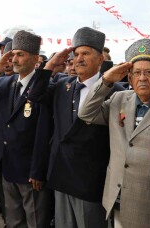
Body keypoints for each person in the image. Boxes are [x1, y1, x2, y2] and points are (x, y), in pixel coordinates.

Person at [76, 38, 150, 227]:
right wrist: (105, 80)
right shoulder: (118, 99)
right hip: (116, 198)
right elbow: (85, 113)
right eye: (136, 73)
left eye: (149, 72)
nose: (142, 78)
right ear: (129, 78)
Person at [28, 27, 124, 228]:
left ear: (100, 59)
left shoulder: (115, 90)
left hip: (91, 179)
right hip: (61, 174)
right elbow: (35, 95)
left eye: (86, 53)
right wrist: (49, 66)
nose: (79, 58)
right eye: (76, 54)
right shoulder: (64, 85)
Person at [0, 30, 52, 228]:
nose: (14, 59)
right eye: (12, 54)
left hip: (30, 169)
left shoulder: (43, 86)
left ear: (36, 58)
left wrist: (38, 170)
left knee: (35, 220)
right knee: (13, 220)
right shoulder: (5, 83)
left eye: (20, 54)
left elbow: (43, 132)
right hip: (7, 165)